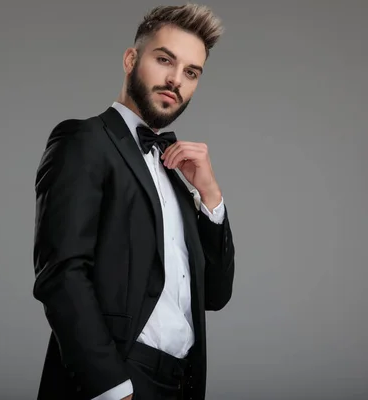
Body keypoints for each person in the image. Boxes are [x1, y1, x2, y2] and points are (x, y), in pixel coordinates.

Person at [32, 4, 235, 400]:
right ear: (131, 59)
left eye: (191, 72)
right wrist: (111, 387)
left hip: (181, 384)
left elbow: (216, 294)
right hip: (116, 380)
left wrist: (210, 196)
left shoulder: (178, 174)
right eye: (164, 60)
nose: (176, 79)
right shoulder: (83, 140)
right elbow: (62, 274)